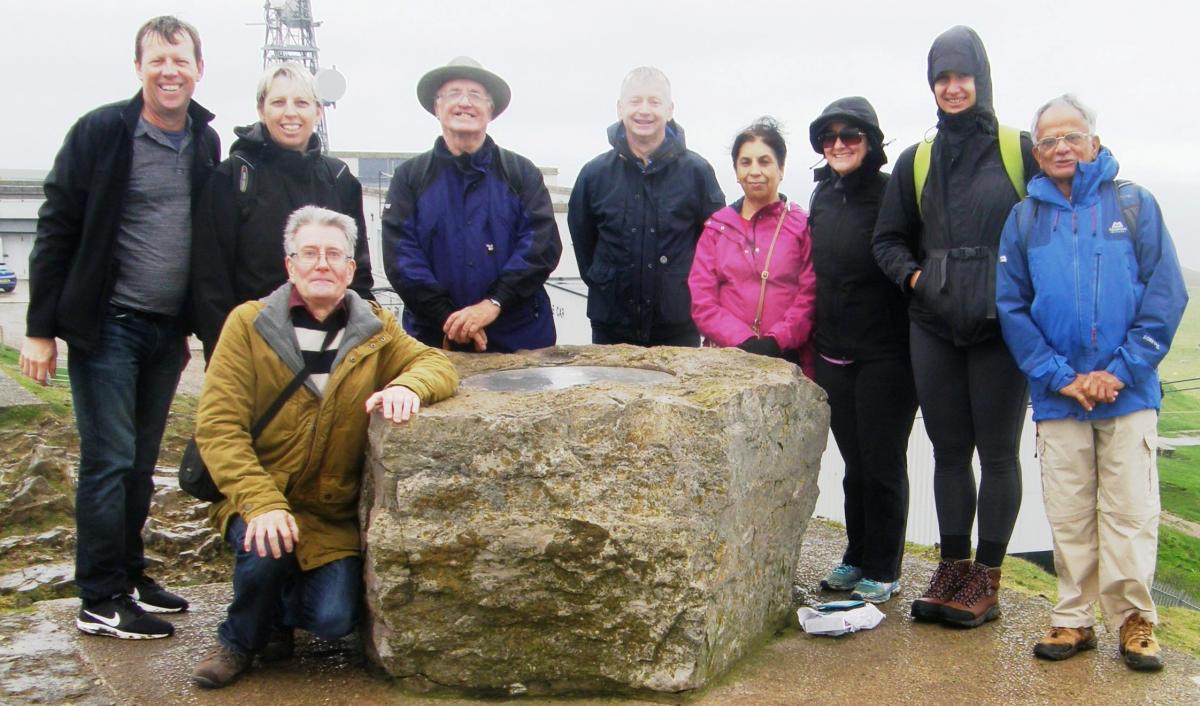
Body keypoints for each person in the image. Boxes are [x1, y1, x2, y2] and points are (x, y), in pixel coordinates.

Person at [189, 206, 459, 688]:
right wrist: (262, 503)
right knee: (267, 549)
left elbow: (436, 363)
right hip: (258, 495)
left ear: (350, 269)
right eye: (309, 253)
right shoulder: (248, 325)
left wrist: (409, 387)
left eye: (334, 254)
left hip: (328, 512)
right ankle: (238, 640)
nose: (322, 264)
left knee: (334, 619)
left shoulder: (374, 327)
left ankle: (275, 612)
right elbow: (218, 427)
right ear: (290, 264)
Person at [19, 16, 220, 640]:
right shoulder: (103, 131)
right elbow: (57, 226)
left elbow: (203, 237)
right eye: (157, 60)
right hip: (108, 327)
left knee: (138, 464)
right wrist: (39, 328)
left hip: (166, 334)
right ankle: (100, 598)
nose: (169, 71)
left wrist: (197, 330)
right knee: (107, 462)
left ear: (197, 69)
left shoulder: (204, 140)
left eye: (180, 60)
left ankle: (131, 577)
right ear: (139, 68)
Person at [997, 95, 1187, 671]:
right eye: (1049, 140)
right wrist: (1062, 377)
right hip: (1059, 399)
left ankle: (1134, 623)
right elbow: (1012, 307)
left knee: (1130, 510)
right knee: (1070, 511)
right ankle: (1073, 619)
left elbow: (1165, 293)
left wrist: (1119, 371)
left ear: (1094, 144)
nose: (1061, 148)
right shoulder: (1024, 218)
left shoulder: (1134, 204)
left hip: (1128, 393)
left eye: (1072, 137)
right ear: (1036, 152)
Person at [872, 25, 1038, 627]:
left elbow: (1053, 222)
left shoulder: (1020, 149)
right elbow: (887, 241)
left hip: (1003, 327)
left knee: (996, 454)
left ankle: (986, 579)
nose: (952, 87)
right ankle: (950, 569)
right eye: (941, 77)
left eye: (962, 74)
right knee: (947, 453)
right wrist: (918, 282)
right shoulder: (917, 161)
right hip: (933, 324)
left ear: (981, 77)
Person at [807, 98, 917, 604]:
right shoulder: (822, 196)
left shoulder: (892, 191)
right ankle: (856, 555)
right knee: (854, 462)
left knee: (882, 461)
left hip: (886, 352)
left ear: (870, 142)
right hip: (833, 352)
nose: (839, 145)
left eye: (850, 136)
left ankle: (884, 565)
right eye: (830, 137)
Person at [191, 62, 374, 361]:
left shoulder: (340, 180)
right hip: (253, 349)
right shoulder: (234, 177)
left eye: (302, 102)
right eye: (278, 102)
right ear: (261, 110)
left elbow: (359, 275)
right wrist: (226, 352)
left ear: (318, 111)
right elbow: (211, 280)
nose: (290, 113)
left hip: (329, 351)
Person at [382, 56, 560, 353]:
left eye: (475, 95)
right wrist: (449, 319)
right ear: (436, 107)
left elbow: (540, 246)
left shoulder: (522, 173)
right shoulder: (409, 178)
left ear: (490, 110)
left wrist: (494, 303)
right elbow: (401, 257)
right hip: (434, 339)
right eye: (454, 94)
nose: (464, 103)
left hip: (519, 337)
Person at [570, 67, 725, 347]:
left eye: (654, 102)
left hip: (677, 326)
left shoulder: (697, 172)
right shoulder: (594, 175)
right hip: (611, 327)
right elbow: (584, 242)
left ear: (669, 109)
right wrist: (605, 281)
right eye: (635, 101)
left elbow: (715, 246)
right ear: (620, 108)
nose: (644, 110)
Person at [687, 118, 814, 372]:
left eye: (764, 161)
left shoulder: (802, 226)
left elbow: (809, 296)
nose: (754, 171)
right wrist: (742, 340)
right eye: (746, 162)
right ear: (736, 171)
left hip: (788, 358)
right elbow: (702, 299)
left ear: (781, 168)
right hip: (726, 359)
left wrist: (776, 340)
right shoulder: (716, 228)